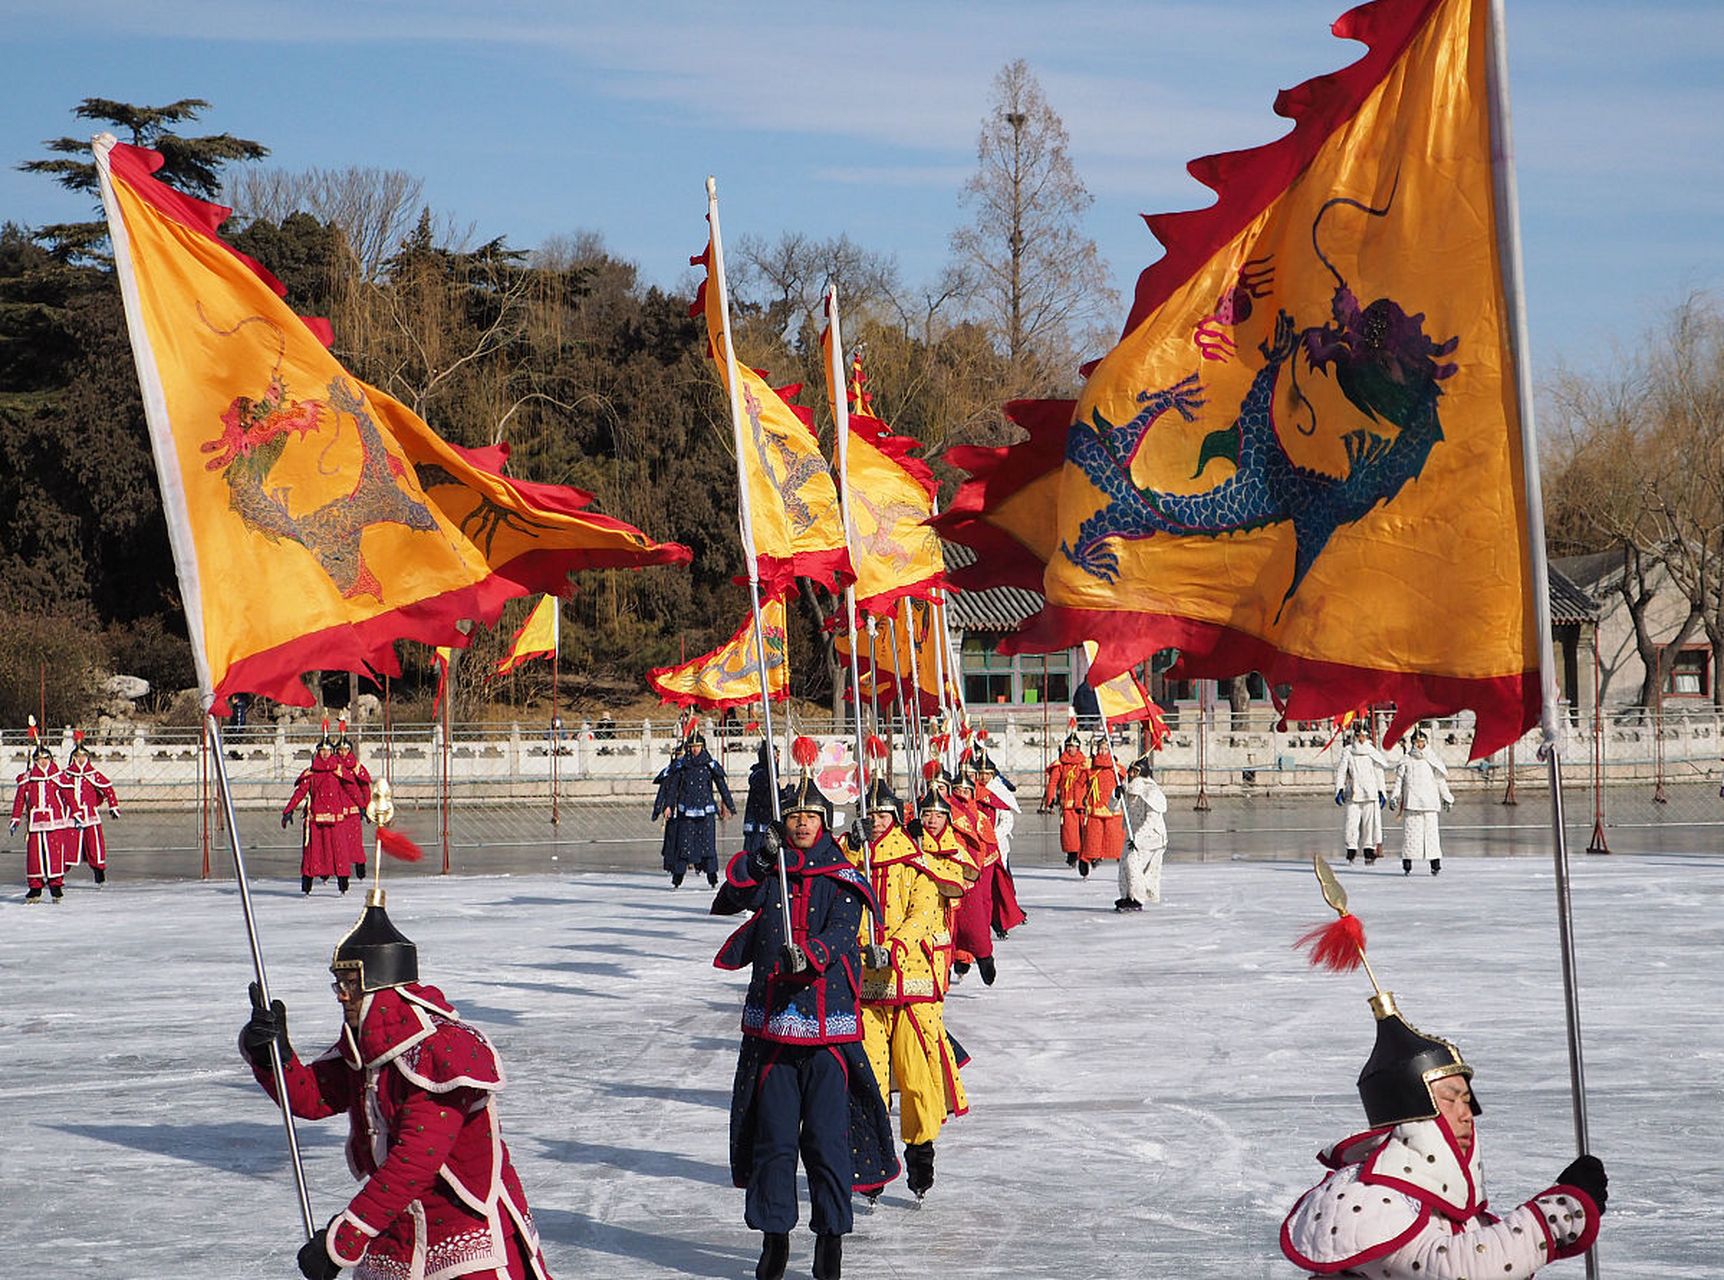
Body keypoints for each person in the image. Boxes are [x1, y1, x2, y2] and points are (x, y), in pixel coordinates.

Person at [238, 887, 555, 1279]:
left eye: (350, 983)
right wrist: (273, 1057)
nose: (342, 996)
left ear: (379, 983)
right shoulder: (367, 1044)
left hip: (463, 1233)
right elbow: (312, 1098)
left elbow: (416, 1160)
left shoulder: (440, 1048)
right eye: (338, 984)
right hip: (399, 1228)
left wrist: (343, 1240)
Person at [711, 766, 897, 1280]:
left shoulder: (842, 875)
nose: (801, 824)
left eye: (811, 816)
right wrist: (760, 858)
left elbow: (844, 932)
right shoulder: (772, 870)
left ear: (825, 822)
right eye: (794, 816)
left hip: (828, 1032)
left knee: (826, 1141)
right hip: (773, 1030)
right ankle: (774, 1237)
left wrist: (812, 954)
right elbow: (727, 900)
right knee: (773, 1140)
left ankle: (830, 1237)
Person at [1280, 990, 1606, 1277]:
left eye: (1467, 1100)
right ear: (1409, 1108)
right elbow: (1456, 1269)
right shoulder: (1361, 1194)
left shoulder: (1445, 1204)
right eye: (1450, 1100)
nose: (1466, 1114)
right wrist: (1561, 1212)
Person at [844, 779, 969, 1200]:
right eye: (871, 814)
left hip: (910, 979)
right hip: (865, 980)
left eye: (883, 814)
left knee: (916, 1073)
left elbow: (924, 913)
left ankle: (920, 1153)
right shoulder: (852, 855)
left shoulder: (915, 859)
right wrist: (852, 845)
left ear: (895, 817)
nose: (877, 820)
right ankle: (872, 1159)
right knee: (870, 1074)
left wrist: (895, 945)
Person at [283, 731, 363, 895]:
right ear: (318, 752)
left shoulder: (338, 771)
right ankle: (307, 886)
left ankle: (343, 885)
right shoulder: (312, 773)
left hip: (336, 820)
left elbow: (352, 790)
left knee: (340, 853)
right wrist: (288, 810)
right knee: (313, 854)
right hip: (316, 820)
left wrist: (362, 806)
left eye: (328, 751)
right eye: (322, 751)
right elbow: (300, 792)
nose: (325, 754)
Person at [659, 729, 736, 888]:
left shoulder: (709, 764)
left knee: (708, 845)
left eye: (698, 746)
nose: (695, 749)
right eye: (692, 746)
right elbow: (673, 788)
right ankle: (677, 878)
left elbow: (722, 786)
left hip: (706, 810)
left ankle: (712, 877)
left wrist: (729, 805)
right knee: (684, 845)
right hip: (686, 810)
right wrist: (668, 806)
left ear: (703, 747)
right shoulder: (682, 765)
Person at [10, 731, 75, 903]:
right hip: (35, 823)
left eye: (46, 758)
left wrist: (76, 813)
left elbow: (69, 796)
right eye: (39, 759)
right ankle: (35, 887)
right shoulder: (28, 779)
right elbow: (20, 800)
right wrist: (15, 819)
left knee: (55, 854)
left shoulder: (57, 777)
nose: (43, 762)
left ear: (51, 760)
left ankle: (55, 885)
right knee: (35, 856)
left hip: (55, 823)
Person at [974, 751, 1028, 939]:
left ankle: (1004, 919)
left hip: (997, 847)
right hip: (976, 848)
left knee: (1002, 886)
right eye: (980, 773)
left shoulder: (999, 791)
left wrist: (991, 837)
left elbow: (1007, 820)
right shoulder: (972, 791)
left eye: (987, 773)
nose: (983, 777)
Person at [1390, 725, 1455, 876]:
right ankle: (1407, 863)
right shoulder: (1406, 760)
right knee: (1411, 835)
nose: (1419, 745)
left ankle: (1435, 864)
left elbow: (1440, 781)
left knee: (1431, 836)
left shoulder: (1432, 760)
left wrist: (1447, 797)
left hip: (1430, 802)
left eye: (1422, 742)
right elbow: (1399, 781)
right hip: (1412, 802)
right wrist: (1394, 796)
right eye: (1417, 742)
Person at [63, 732, 120, 886]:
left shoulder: (92, 774)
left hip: (89, 815)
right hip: (71, 816)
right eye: (78, 756)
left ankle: (99, 873)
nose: (81, 759)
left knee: (94, 844)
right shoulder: (66, 775)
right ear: (73, 758)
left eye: (83, 756)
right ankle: (58, 875)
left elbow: (107, 788)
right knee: (68, 845)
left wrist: (113, 806)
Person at [1334, 719, 1391, 865]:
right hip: (1353, 792)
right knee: (1351, 823)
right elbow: (1341, 772)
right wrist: (1339, 789)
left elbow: (1379, 773)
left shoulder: (1372, 752)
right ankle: (1351, 850)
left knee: (1369, 824)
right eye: (1359, 735)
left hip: (1370, 792)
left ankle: (1368, 850)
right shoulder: (1348, 751)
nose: (1361, 738)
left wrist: (1381, 791)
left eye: (1364, 735)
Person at [1116, 756, 1167, 911]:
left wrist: (1137, 839)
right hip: (1132, 835)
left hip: (1151, 837)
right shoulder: (1127, 789)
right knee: (1124, 864)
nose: (1130, 774)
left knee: (1133, 864)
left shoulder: (1151, 791)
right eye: (1130, 770)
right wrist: (1116, 796)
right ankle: (1127, 896)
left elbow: (1151, 820)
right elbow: (1113, 808)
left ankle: (1137, 899)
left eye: (1134, 771)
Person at [1078, 735, 1126, 878]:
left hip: (1113, 808)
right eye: (1101, 748)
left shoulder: (1117, 768)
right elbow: (1079, 785)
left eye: (1106, 749)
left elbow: (1126, 783)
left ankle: (1123, 861)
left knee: (1116, 837)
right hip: (1095, 807)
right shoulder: (1090, 767)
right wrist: (1079, 801)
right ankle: (1085, 859)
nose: (1103, 751)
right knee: (1092, 837)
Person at [1041, 731, 1088, 869]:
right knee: (1070, 832)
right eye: (1068, 746)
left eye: (1073, 746)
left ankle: (1086, 856)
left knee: (1085, 830)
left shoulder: (1085, 763)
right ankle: (1072, 855)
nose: (1070, 749)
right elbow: (1053, 783)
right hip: (1067, 804)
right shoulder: (1060, 765)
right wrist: (1050, 799)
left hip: (1083, 803)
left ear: (1078, 748)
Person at [333, 735, 373, 882]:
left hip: (354, 809)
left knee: (355, 843)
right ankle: (340, 872)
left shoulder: (356, 767)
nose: (342, 753)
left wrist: (367, 806)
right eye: (340, 749)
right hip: (337, 810)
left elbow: (365, 788)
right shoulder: (333, 766)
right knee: (338, 844)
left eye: (345, 749)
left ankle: (360, 868)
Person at [741, 739, 779, 856]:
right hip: (759, 825)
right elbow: (765, 800)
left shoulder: (770, 774)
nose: (777, 759)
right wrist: (782, 795)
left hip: (764, 824)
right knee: (757, 856)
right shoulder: (761, 775)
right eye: (775, 756)